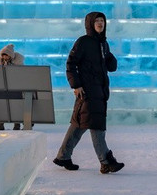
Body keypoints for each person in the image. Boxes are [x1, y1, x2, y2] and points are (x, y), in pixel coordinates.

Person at [52, 11, 125, 174]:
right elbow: (71, 64)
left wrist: (108, 54)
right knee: (96, 124)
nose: (100, 23)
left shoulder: (103, 44)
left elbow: (111, 67)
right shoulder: (83, 42)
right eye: (97, 21)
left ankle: (63, 156)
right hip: (86, 90)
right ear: (90, 24)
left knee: (79, 124)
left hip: (99, 90)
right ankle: (105, 161)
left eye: (102, 21)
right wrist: (76, 85)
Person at [0, 44, 24, 131]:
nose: (4, 57)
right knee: (2, 105)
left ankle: (17, 124)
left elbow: (21, 75)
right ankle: (0, 124)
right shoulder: (0, 63)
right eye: (3, 55)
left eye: (6, 55)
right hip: (4, 87)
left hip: (16, 87)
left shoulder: (18, 63)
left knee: (16, 105)